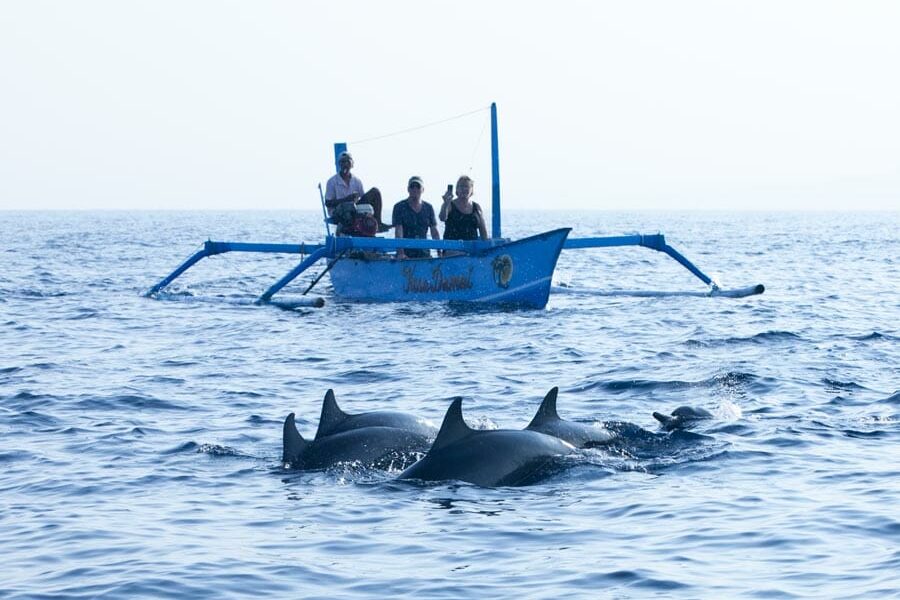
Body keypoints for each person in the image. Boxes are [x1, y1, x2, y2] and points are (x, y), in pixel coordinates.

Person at [324, 151, 389, 234]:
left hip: (354, 209)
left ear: (352, 164)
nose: (345, 164)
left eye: (348, 161)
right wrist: (346, 199)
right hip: (338, 212)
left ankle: (378, 223)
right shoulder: (332, 181)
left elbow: (364, 199)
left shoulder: (357, 181)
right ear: (339, 164)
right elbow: (328, 203)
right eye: (343, 162)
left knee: (375, 191)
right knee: (348, 206)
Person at [392, 176, 440, 259]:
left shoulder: (428, 208)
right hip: (406, 254)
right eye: (412, 186)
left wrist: (439, 251)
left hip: (424, 254)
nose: (415, 189)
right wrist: (401, 253)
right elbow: (398, 231)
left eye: (418, 186)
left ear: (423, 189)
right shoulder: (399, 207)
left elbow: (434, 232)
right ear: (408, 189)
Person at [439, 175, 488, 245]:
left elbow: (483, 232)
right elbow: (442, 218)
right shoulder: (449, 205)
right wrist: (446, 203)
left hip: (471, 248)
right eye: (461, 186)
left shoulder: (477, 207)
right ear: (457, 189)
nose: (464, 189)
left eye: (466, 186)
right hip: (452, 248)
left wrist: (486, 246)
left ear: (471, 190)